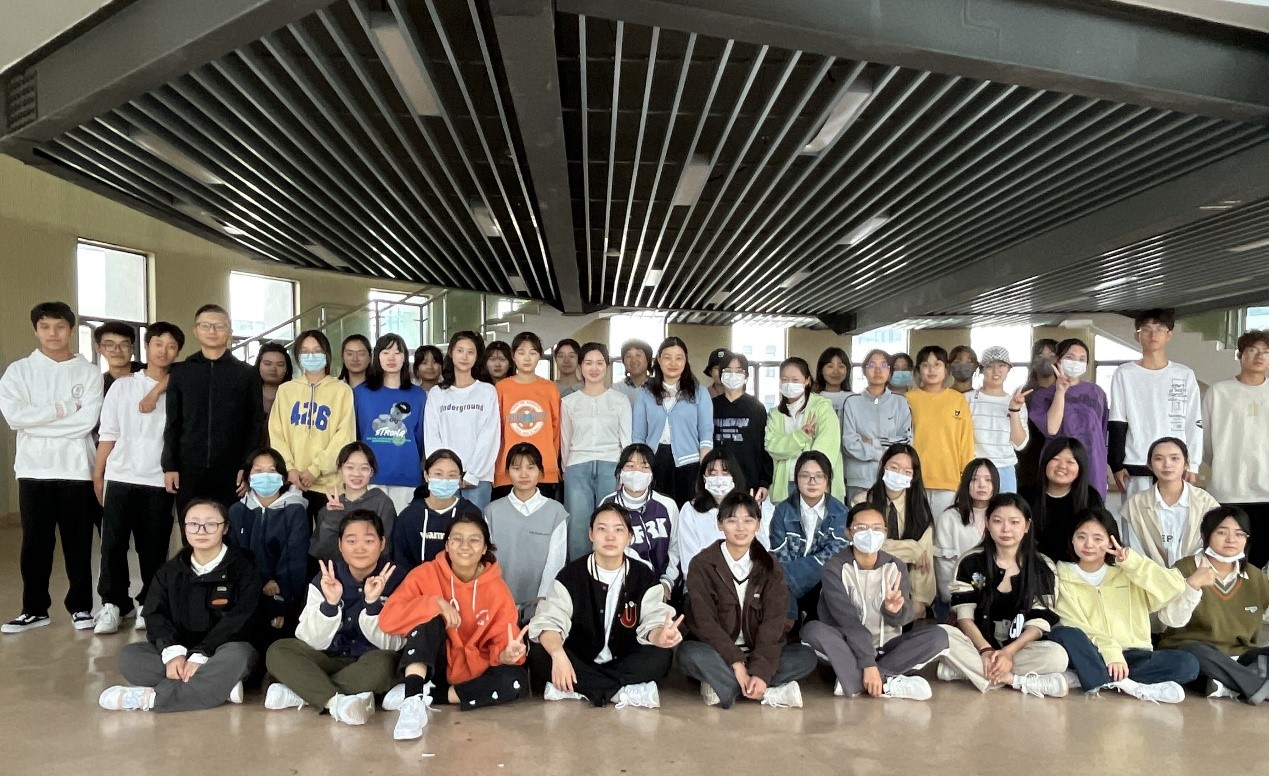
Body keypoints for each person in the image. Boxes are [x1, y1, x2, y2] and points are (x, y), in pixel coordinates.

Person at [98, 499, 259, 712]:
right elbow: (155, 614)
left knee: (238, 656)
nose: (201, 531)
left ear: (225, 528)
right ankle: (218, 686)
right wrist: (173, 652)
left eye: (211, 524)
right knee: (131, 657)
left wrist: (203, 653)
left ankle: (152, 699)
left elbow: (241, 619)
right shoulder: (169, 572)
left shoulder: (244, 569)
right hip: (181, 653)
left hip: (222, 651)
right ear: (184, 527)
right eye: (193, 524)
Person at [0, 301, 103, 633]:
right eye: (45, 327)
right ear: (36, 330)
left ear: (71, 329)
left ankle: (81, 607)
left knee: (78, 543)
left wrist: (37, 422)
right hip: (34, 469)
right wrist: (63, 408)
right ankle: (34, 609)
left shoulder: (88, 372)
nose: (53, 333)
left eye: (59, 326)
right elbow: (14, 417)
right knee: (35, 543)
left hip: (76, 469)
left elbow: (86, 423)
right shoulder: (19, 371)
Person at [379, 514, 528, 738]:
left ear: (485, 548)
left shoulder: (497, 589)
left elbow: (503, 641)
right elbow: (388, 619)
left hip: (475, 669)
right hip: (433, 664)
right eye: (457, 539)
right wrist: (435, 603)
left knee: (515, 681)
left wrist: (506, 655)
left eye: (474, 540)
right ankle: (412, 701)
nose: (465, 546)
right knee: (428, 618)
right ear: (447, 545)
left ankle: (432, 695)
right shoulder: (425, 574)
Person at [527, 504, 683, 708]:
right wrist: (558, 655)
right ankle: (620, 691)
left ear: (629, 537)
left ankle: (581, 688)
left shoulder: (644, 576)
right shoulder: (570, 576)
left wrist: (660, 636)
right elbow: (550, 621)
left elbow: (653, 620)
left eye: (618, 530)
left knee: (661, 656)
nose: (610, 537)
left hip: (624, 658)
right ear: (591, 534)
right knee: (541, 653)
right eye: (602, 529)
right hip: (580, 657)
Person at [264, 510, 405, 724]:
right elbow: (309, 639)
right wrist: (330, 605)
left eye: (369, 541)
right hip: (327, 658)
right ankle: (336, 701)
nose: (360, 548)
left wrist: (372, 604)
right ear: (340, 545)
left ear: (382, 543)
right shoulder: (327, 576)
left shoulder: (398, 579)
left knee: (385, 665)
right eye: (351, 541)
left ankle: (305, 692)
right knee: (278, 650)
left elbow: (393, 644)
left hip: (369, 661)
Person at [1048, 508, 1201, 703]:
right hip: (1091, 651)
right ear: (1071, 539)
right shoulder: (1060, 575)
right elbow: (1074, 622)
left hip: (1133, 655)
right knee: (1065, 633)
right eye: (1081, 537)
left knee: (1188, 664)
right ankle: (1126, 683)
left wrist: (1132, 562)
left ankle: (1096, 678)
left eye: (1098, 538)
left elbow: (1174, 586)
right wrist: (1111, 653)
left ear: (1111, 541)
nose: (1089, 545)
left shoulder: (1127, 571)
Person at [801, 503, 949, 700]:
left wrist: (893, 611)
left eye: (877, 528)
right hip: (847, 647)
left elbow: (902, 619)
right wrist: (868, 662)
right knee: (813, 631)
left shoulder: (895, 566)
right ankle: (885, 683)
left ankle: (859, 681)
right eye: (861, 528)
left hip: (887, 647)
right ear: (848, 533)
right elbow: (847, 621)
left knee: (939, 636)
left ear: (885, 533)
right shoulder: (834, 568)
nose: (870, 534)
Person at [680, 492, 815, 708]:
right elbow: (705, 623)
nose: (740, 528)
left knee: (805, 656)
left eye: (748, 520)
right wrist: (736, 662)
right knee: (688, 654)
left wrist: (760, 671)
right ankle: (767, 693)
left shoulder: (771, 566)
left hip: (758, 651)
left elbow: (773, 625)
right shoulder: (702, 565)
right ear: (720, 524)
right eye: (732, 520)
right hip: (718, 652)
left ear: (758, 525)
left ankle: (724, 686)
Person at [92, 322, 184, 635]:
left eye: (171, 346)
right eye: (158, 344)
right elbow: (108, 433)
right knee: (112, 544)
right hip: (120, 476)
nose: (164, 351)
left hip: (158, 480)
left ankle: (149, 603)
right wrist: (98, 473)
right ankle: (113, 604)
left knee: (154, 547)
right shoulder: (123, 386)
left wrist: (158, 391)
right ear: (146, 347)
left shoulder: (179, 387)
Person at [935, 494, 1070, 697]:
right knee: (942, 635)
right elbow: (964, 617)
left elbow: (1039, 622)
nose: (1006, 529)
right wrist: (986, 650)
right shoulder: (970, 561)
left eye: (1014, 522)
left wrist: (1008, 653)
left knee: (1057, 656)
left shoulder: (1043, 566)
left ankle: (969, 672)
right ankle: (1015, 680)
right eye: (998, 521)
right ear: (987, 523)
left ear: (1027, 525)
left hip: (1019, 650)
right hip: (976, 646)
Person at [1158, 507, 1269, 704]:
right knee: (1196, 654)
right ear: (1205, 536)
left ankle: (1225, 685)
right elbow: (1170, 620)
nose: (1231, 540)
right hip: (1194, 652)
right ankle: (1256, 685)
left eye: (1239, 534)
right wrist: (1193, 585)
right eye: (1222, 532)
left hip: (1239, 656)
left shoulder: (1256, 577)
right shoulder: (1184, 568)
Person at [162, 303, 264, 512]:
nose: (212, 331)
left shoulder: (246, 374)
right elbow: (173, 423)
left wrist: (247, 466)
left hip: (231, 470)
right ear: (195, 330)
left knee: (229, 524)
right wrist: (170, 465)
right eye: (205, 325)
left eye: (219, 326)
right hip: (188, 468)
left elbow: (254, 425)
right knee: (191, 524)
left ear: (230, 331)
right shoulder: (182, 372)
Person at [1110, 310, 1203, 500]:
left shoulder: (1184, 374)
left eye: (1159, 329)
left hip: (1175, 464)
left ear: (1169, 334)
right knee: (1137, 517)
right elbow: (1117, 420)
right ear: (1137, 335)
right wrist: (1116, 464)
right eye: (1146, 329)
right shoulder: (1124, 373)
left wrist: (1193, 464)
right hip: (1136, 463)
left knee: (1175, 517)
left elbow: (1193, 421)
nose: (1153, 335)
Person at [270, 330, 356, 519]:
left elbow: (344, 437)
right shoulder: (285, 390)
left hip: (329, 486)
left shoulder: (342, 391)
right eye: (305, 351)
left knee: (328, 535)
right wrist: (289, 468)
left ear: (327, 354)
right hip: (293, 482)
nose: (311, 356)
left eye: (317, 351)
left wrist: (316, 469)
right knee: (295, 534)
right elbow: (276, 434)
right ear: (297, 356)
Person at [1202, 329, 1269, 568]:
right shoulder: (1219, 392)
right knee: (1226, 557)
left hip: (1266, 491)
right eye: (1252, 350)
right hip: (1227, 490)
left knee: (1259, 560)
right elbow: (1206, 441)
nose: (1259, 356)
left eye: (1266, 352)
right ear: (1240, 355)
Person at [228, 448, 311, 639]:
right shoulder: (237, 511)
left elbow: (295, 558)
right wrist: (262, 582)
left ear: (283, 477)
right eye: (258, 470)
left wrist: (279, 597)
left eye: (272, 470)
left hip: (286, 597)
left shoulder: (295, 511)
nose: (265, 476)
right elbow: (235, 555)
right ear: (248, 476)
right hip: (246, 595)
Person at [562, 342, 632, 558]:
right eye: (588, 363)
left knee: (611, 523)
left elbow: (626, 441)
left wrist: (624, 473)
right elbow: (565, 440)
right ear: (580, 366)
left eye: (600, 363)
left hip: (611, 467)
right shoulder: (568, 402)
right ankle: (579, 573)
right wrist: (566, 469)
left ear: (607, 366)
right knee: (578, 526)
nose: (594, 368)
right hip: (577, 466)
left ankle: (611, 568)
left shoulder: (620, 401)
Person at [485, 443, 569, 623]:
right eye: (516, 468)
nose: (523, 474)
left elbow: (556, 560)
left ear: (541, 472)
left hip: (541, 605)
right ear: (507, 472)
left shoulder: (556, 512)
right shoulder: (492, 511)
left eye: (530, 468)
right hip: (499, 602)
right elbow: (487, 559)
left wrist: (543, 598)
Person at [853, 444, 936, 618]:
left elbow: (924, 559)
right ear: (884, 466)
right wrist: (911, 549)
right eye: (894, 468)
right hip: (866, 583)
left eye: (907, 471)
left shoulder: (920, 509)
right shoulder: (861, 502)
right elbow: (866, 546)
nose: (899, 474)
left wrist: (919, 600)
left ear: (913, 477)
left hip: (905, 591)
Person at [632, 337, 713, 506]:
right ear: (659, 359)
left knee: (687, 509)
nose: (673, 363)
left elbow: (706, 431)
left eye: (679, 358)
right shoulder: (646, 393)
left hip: (689, 461)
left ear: (686, 360)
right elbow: (638, 434)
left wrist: (705, 465)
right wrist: (639, 463)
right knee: (657, 509)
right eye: (667, 357)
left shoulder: (699, 392)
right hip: (654, 460)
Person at [769, 451, 848, 623]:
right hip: (786, 583)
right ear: (796, 479)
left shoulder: (841, 512)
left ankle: (797, 622)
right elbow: (779, 552)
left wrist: (789, 577)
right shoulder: (782, 511)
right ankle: (791, 625)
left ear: (827, 480)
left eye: (819, 476)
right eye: (805, 476)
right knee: (776, 575)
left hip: (822, 581)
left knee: (779, 579)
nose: (812, 482)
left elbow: (831, 556)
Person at [424, 331, 499, 510]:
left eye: (470, 352)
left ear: (477, 356)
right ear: (451, 353)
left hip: (479, 478)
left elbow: (490, 436)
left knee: (475, 525)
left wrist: (473, 474)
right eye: (460, 350)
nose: (464, 357)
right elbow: (432, 435)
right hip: (444, 479)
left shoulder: (487, 391)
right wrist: (442, 472)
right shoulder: (437, 393)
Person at [1120, 437, 1220, 568]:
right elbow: (1132, 549)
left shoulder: (1206, 503)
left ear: (1186, 463)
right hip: (1149, 574)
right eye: (1158, 459)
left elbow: (1213, 546)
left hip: (1196, 572)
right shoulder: (1135, 505)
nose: (1167, 464)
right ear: (1149, 465)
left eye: (1174, 458)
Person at [1029, 337, 1109, 498]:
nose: (1076, 363)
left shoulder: (1096, 392)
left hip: (1093, 463)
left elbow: (1102, 430)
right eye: (1070, 357)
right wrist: (1060, 391)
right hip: (1059, 464)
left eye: (1082, 359)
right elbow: (1051, 429)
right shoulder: (1042, 396)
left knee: (1091, 507)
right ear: (1057, 360)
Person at [355, 334, 426, 514]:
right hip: (370, 475)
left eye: (397, 352)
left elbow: (419, 437)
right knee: (371, 527)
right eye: (386, 353)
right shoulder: (361, 393)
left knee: (403, 527)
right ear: (377, 357)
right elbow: (357, 434)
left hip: (406, 474)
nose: (391, 358)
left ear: (405, 357)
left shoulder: (418, 395)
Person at [601, 444, 681, 600]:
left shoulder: (667, 505)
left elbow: (676, 548)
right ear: (620, 472)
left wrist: (666, 583)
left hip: (662, 588)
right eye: (630, 466)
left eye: (644, 467)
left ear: (652, 474)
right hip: (620, 588)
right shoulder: (608, 504)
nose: (637, 472)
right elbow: (603, 550)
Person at [677, 449, 775, 574]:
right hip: (704, 581)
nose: (719, 479)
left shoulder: (749, 506)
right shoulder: (690, 510)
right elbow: (689, 563)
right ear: (703, 477)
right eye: (712, 473)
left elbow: (763, 552)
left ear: (734, 476)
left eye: (725, 473)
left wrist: (753, 516)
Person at [906, 345, 975, 516]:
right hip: (915, 479)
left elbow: (965, 441)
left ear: (946, 369)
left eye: (937, 364)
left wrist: (967, 477)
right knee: (918, 529)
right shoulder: (909, 399)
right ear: (918, 370)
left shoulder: (957, 399)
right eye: (925, 365)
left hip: (949, 480)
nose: (931, 370)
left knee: (944, 529)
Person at [765, 357, 845, 503]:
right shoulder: (775, 414)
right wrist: (801, 436)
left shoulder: (822, 407)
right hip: (786, 485)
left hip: (818, 484)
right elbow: (772, 447)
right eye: (784, 380)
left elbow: (827, 448)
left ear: (807, 380)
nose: (789, 384)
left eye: (795, 380)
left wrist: (809, 476)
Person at [494, 332, 561, 501]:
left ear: (540, 356)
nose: (527, 358)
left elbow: (556, 429)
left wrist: (553, 462)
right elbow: (495, 431)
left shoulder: (550, 388)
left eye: (533, 353)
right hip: (508, 469)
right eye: (521, 352)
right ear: (513, 356)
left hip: (544, 469)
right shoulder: (501, 388)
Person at [391, 449, 482, 571]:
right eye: (438, 474)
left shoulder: (471, 514)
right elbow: (401, 561)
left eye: (452, 475)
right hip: (416, 581)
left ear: (460, 479)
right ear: (426, 475)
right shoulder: (409, 517)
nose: (445, 480)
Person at [840, 349, 913, 500]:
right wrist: (880, 453)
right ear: (864, 370)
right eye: (872, 365)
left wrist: (873, 442)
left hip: (893, 478)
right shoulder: (852, 402)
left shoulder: (900, 402)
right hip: (859, 480)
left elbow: (906, 441)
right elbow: (849, 443)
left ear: (890, 372)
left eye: (884, 365)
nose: (878, 370)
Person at [311, 442, 397, 561]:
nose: (356, 474)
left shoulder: (382, 503)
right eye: (350, 467)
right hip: (336, 571)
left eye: (364, 468)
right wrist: (332, 518)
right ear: (340, 470)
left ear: (371, 472)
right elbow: (323, 554)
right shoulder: (328, 509)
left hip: (375, 570)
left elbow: (386, 550)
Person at [1028, 437, 1105, 563]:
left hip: (1077, 566)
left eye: (1070, 462)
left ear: (1080, 468)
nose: (1062, 466)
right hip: (1035, 565)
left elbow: (1101, 537)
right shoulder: (1026, 495)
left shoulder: (1091, 497)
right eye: (1055, 459)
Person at [933, 458, 997, 607]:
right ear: (966, 483)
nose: (982, 485)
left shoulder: (1001, 516)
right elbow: (944, 569)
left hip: (996, 598)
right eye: (974, 479)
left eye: (988, 480)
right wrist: (960, 598)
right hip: (958, 598)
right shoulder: (949, 518)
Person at [710, 351, 773, 503]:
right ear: (721, 375)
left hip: (749, 482)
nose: (733, 375)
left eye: (739, 371)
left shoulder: (756, 408)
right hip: (717, 482)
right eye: (728, 370)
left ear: (746, 376)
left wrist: (764, 482)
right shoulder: (711, 406)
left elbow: (764, 447)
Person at [966, 346, 1029, 493]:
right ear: (982, 369)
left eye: (1001, 366)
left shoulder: (1016, 401)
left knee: (1006, 507)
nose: (996, 371)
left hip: (1005, 469)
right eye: (989, 366)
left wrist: (1014, 409)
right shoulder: (967, 399)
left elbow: (1019, 444)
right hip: (975, 468)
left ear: (1009, 369)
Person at [1017, 339, 1059, 492]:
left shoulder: (1066, 393)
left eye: (1051, 355)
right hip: (1028, 464)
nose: (1046, 360)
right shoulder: (1023, 394)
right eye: (1040, 356)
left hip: (1058, 458)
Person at [94, 320, 143, 394]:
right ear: (98, 348)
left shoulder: (148, 373)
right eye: (110, 345)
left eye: (124, 345)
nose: (117, 350)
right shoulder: (99, 385)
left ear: (132, 348)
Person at [256, 343, 292, 442]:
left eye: (280, 365)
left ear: (287, 369)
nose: (273, 369)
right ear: (258, 366)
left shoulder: (294, 397)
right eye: (267, 364)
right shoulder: (247, 394)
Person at [612, 339, 654, 406]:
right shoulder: (615, 389)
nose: (633, 360)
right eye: (628, 356)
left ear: (648, 360)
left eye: (638, 355)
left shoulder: (659, 388)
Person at [813, 347, 852, 416]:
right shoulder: (813, 399)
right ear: (821, 370)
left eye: (841, 366)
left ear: (847, 370)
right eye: (830, 366)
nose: (836, 372)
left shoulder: (853, 399)